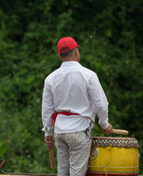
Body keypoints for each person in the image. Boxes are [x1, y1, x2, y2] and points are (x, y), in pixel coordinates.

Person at [41, 37, 113, 175]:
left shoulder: (50, 78)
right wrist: (105, 124)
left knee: (62, 172)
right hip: (79, 130)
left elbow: (47, 109)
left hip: (60, 131)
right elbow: (101, 104)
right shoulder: (89, 75)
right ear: (76, 52)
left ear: (59, 56)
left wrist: (48, 132)